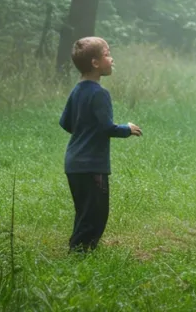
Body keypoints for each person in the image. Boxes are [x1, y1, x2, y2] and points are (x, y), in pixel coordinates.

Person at [59, 36, 141, 252]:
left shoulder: (77, 90)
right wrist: (127, 128)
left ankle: (78, 249)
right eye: (107, 54)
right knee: (96, 213)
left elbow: (65, 123)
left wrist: (84, 131)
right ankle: (79, 252)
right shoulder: (100, 94)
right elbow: (107, 127)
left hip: (74, 163)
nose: (111, 59)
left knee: (83, 210)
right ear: (95, 63)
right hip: (92, 165)